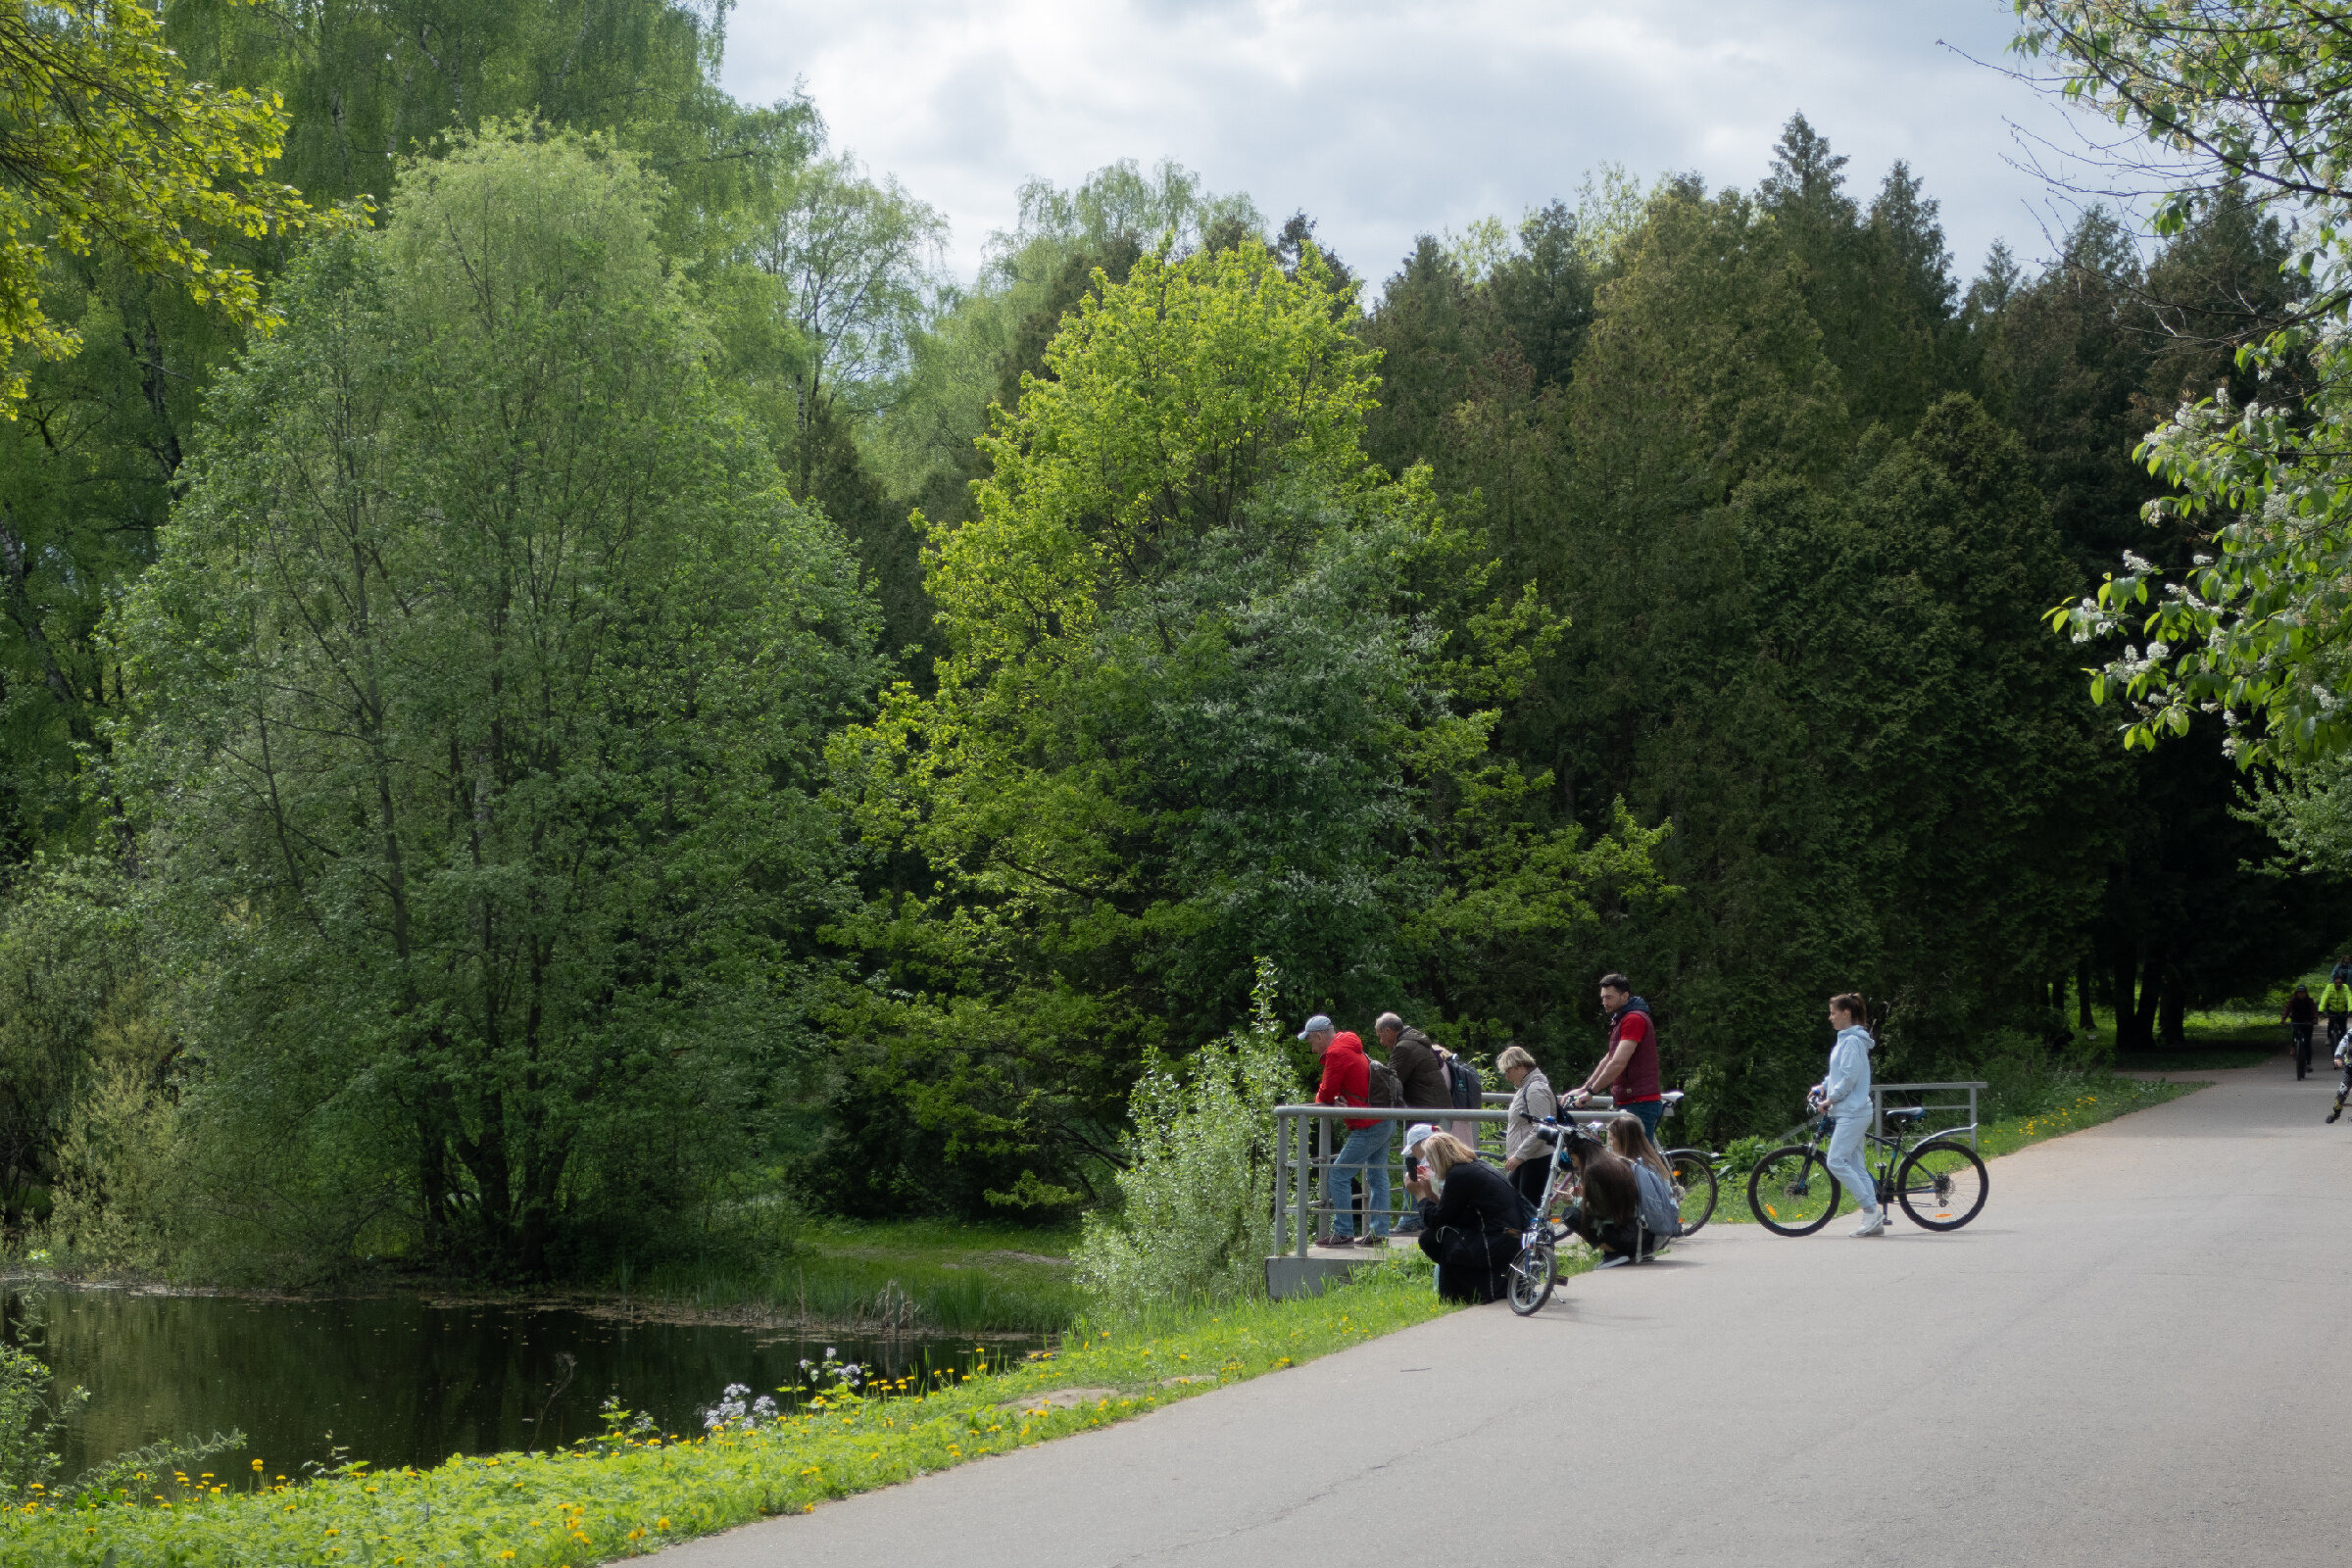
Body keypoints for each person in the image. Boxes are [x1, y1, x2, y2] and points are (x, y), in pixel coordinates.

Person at [1402, 1131, 1529, 1302]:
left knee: (1431, 1239)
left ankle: (1461, 1294)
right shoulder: (1474, 1166)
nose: (1429, 1165)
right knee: (1439, 1235)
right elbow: (1452, 1213)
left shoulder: (1458, 1175)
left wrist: (1419, 1195)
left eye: (1430, 1160)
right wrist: (1429, 1193)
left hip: (1495, 1241)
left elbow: (1436, 1221)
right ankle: (1460, 1293)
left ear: (1439, 1157)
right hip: (1508, 1237)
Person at [1305, 1017, 1391, 1246]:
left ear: (1321, 1036)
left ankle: (1343, 1232)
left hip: (1369, 1124)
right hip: (1383, 1119)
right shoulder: (1349, 1045)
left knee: (1338, 1174)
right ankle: (1379, 1233)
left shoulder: (1336, 1053)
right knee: (1377, 1176)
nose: (1312, 1048)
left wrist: (1326, 1100)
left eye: (1311, 1041)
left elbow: (1324, 1095)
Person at [1811, 992, 1884, 1238]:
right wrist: (1823, 1087)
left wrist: (1830, 1099)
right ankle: (1874, 1218)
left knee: (1835, 1161)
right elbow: (1839, 1073)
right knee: (1856, 1165)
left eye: (1832, 1012)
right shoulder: (1847, 1040)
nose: (1829, 1017)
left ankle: (1871, 1210)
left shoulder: (1852, 1041)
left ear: (1846, 1013)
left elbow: (1850, 1078)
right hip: (1851, 1111)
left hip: (1852, 1111)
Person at [1375, 1012, 1454, 1234]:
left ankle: (1412, 1217)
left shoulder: (1404, 1048)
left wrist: (1368, 1100)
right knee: (1427, 1163)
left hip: (1423, 1111)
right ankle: (1423, 1212)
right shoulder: (1415, 1041)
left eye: (1380, 1036)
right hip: (1431, 1108)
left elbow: (1390, 1080)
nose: (1381, 1042)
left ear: (1390, 1032)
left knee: (1414, 1163)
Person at [1567, 973, 1666, 1140]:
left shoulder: (1634, 1019)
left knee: (1636, 1161)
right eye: (1603, 997)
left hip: (1639, 1102)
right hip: (1628, 1100)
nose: (1604, 1002)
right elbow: (1608, 1059)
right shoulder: (1621, 1019)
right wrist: (1585, 1088)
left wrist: (1592, 1091)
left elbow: (1618, 1063)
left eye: (1609, 997)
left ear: (1625, 996)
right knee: (1621, 1159)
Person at [1552, 1126, 1645, 1268]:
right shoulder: (1609, 1161)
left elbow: (1600, 1210)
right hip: (1636, 1232)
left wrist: (1573, 1200)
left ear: (1581, 1154)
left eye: (1573, 1158)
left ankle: (1614, 1253)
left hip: (1624, 1237)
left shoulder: (1592, 1172)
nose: (1573, 1162)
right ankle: (1618, 1250)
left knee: (1570, 1215)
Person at [1496, 1045, 1558, 1212]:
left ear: (1519, 1067)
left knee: (1529, 1210)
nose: (1507, 1077)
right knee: (1515, 1204)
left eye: (1507, 1071)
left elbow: (1542, 1128)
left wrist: (1520, 1155)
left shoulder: (1535, 1089)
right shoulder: (1526, 1087)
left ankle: (1538, 1237)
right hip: (1527, 1159)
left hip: (1536, 1159)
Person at [2284, 985, 2320, 1080]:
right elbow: (2287, 1009)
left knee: (2307, 1043)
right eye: (2299, 992)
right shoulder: (2293, 1000)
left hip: (2308, 1023)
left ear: (2305, 993)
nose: (2301, 994)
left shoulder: (2310, 1001)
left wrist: (2315, 1019)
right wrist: (2283, 1019)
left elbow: (2314, 1011)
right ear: (2297, 993)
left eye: (2303, 992)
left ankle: (2308, 1063)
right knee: (2295, 1034)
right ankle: (2293, 1047)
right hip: (2296, 1021)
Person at [2322, 974, 2351, 1062]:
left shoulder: (2345, 988)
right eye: (2336, 983)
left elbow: (2349, 998)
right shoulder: (2329, 988)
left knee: (2343, 1028)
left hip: (2342, 1010)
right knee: (2331, 1023)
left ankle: (2343, 1044)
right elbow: (2324, 998)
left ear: (2342, 983)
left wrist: (2350, 1009)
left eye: (2340, 983)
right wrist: (2320, 1010)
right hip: (2332, 1009)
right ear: (2333, 983)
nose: (2338, 984)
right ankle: (2329, 1038)